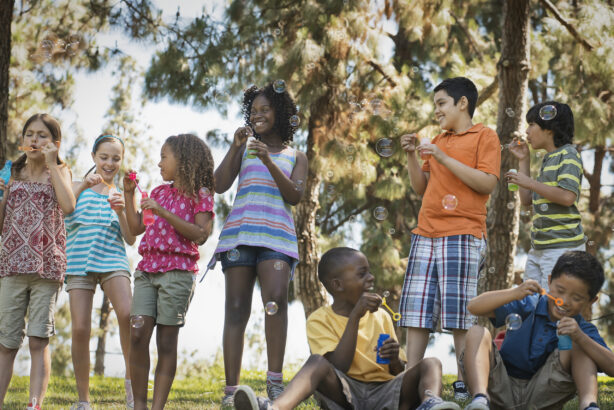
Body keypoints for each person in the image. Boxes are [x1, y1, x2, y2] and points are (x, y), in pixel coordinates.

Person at [232, 247, 461, 410]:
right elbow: (337, 366)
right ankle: (276, 407)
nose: (371, 278)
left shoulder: (381, 316)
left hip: (385, 393)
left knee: (432, 363)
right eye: (362, 274)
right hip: (344, 395)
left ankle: (431, 403)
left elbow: (396, 371)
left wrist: (394, 360)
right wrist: (354, 318)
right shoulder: (319, 319)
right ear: (337, 285)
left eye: (369, 271)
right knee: (316, 362)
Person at [398, 77, 501, 400]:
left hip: (462, 233)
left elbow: (486, 183)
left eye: (441, 103)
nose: (436, 111)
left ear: (462, 103)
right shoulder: (437, 140)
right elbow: (421, 188)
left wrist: (441, 157)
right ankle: (410, 381)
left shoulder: (484, 136)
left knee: (460, 314)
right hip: (425, 233)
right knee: (416, 312)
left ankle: (462, 383)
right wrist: (414, 156)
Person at [212, 83, 308, 406]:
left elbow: (294, 196)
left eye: (265, 109)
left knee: (276, 301)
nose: (258, 114)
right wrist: (235, 146)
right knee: (236, 309)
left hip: (276, 238)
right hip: (240, 235)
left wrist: (269, 162)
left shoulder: (297, 156)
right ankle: (231, 391)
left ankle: (275, 383)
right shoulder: (244, 148)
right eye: (253, 110)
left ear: (280, 113)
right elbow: (219, 183)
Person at [124, 134, 215, 410]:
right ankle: (139, 405)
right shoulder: (158, 192)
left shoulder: (201, 193)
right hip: (147, 270)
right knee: (137, 335)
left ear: (184, 160)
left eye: (164, 156)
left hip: (177, 272)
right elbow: (137, 227)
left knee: (166, 341)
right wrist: (129, 195)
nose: (159, 162)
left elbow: (201, 234)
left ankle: (157, 407)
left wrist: (163, 212)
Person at [461, 251, 613, 410]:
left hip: (544, 396)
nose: (565, 301)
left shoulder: (581, 328)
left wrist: (581, 338)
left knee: (581, 344)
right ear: (549, 281)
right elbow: (473, 307)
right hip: (501, 387)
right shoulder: (527, 304)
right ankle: (480, 400)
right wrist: (513, 293)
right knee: (476, 332)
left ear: (591, 301)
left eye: (576, 298)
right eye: (560, 291)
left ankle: (589, 406)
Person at [0, 113, 76, 410]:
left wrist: (53, 163)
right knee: (7, 342)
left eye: (42, 135)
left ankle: (34, 405)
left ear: (55, 143)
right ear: (22, 140)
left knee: (38, 340)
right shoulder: (10, 171)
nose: (35, 139)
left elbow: (69, 206)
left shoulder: (61, 171)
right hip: (12, 265)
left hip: (47, 266)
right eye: (30, 134)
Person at [65, 135, 136, 410]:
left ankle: (132, 394)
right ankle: (83, 400)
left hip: (112, 260)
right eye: (104, 157)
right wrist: (83, 184)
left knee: (129, 315)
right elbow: (63, 209)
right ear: (94, 156)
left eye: (115, 158)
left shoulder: (122, 193)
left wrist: (121, 212)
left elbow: (130, 239)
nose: (110, 163)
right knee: (81, 328)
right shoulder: (73, 186)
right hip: (78, 262)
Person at [506, 101, 585, 290]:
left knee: (552, 306)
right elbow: (526, 201)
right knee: (532, 302)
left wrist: (531, 183)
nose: (526, 131)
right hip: (539, 248)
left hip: (562, 248)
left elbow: (567, 197)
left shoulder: (569, 154)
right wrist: (524, 160)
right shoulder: (548, 160)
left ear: (549, 128)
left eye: (532, 125)